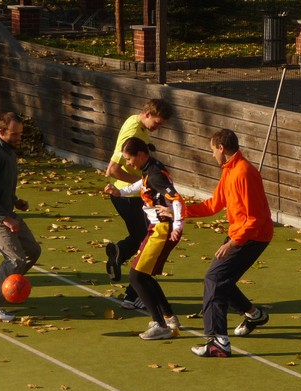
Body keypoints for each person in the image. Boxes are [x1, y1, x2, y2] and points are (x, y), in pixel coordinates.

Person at [185, 129, 273, 357]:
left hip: (253, 237)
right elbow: (214, 203)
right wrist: (181, 211)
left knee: (214, 279)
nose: (212, 154)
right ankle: (254, 315)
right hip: (241, 233)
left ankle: (218, 341)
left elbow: (255, 218)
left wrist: (233, 243)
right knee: (222, 278)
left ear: (221, 148)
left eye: (212, 150)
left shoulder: (244, 173)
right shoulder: (229, 171)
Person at [104, 137, 184, 340]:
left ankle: (161, 324)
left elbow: (176, 199)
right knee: (144, 276)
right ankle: (169, 317)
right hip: (156, 228)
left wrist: (176, 225)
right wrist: (120, 192)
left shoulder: (155, 174)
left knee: (136, 276)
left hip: (162, 229)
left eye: (129, 159)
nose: (128, 164)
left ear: (140, 154)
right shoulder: (151, 168)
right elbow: (142, 184)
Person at [104, 98, 174, 310]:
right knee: (147, 243)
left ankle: (122, 258)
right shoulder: (133, 133)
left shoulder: (137, 124)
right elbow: (113, 170)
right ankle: (133, 292)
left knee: (142, 239)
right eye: (157, 123)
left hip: (129, 196)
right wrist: (143, 183)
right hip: (127, 197)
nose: (158, 128)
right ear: (147, 113)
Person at [0, 112, 41, 322]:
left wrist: (15, 200)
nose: (19, 138)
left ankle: (3, 287)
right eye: (15, 134)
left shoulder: (9, 152)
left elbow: (1, 186)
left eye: (21, 134)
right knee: (15, 259)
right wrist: (5, 218)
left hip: (6, 211)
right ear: (1, 132)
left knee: (32, 250)